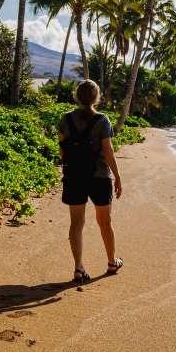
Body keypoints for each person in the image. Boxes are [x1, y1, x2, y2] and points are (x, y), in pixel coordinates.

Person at [58, 80, 123, 281]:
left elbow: (63, 150)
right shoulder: (103, 120)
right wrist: (118, 177)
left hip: (74, 176)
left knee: (76, 223)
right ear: (97, 98)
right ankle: (112, 262)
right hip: (100, 176)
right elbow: (108, 151)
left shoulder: (66, 119)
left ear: (76, 95)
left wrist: (75, 168)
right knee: (105, 221)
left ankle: (78, 268)